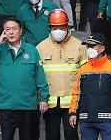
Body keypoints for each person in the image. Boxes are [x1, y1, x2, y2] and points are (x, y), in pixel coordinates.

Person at [0, 17, 49, 140]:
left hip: (26, 105)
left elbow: (39, 76)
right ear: (3, 32)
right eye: (7, 29)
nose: (11, 32)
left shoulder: (31, 50)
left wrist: (44, 98)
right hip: (5, 105)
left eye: (14, 29)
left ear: (20, 31)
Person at [37, 9, 87, 140]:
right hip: (50, 102)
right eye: (54, 27)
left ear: (67, 26)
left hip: (71, 103)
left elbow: (86, 75)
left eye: (61, 27)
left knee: (71, 135)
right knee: (52, 135)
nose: (58, 30)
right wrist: (40, 99)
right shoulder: (41, 48)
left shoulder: (79, 46)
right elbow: (36, 76)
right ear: (50, 28)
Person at [69, 33, 111, 140]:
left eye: (92, 46)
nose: (89, 49)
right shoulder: (82, 69)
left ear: (102, 48)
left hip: (107, 118)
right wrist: (73, 112)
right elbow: (77, 92)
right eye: (88, 46)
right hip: (86, 118)